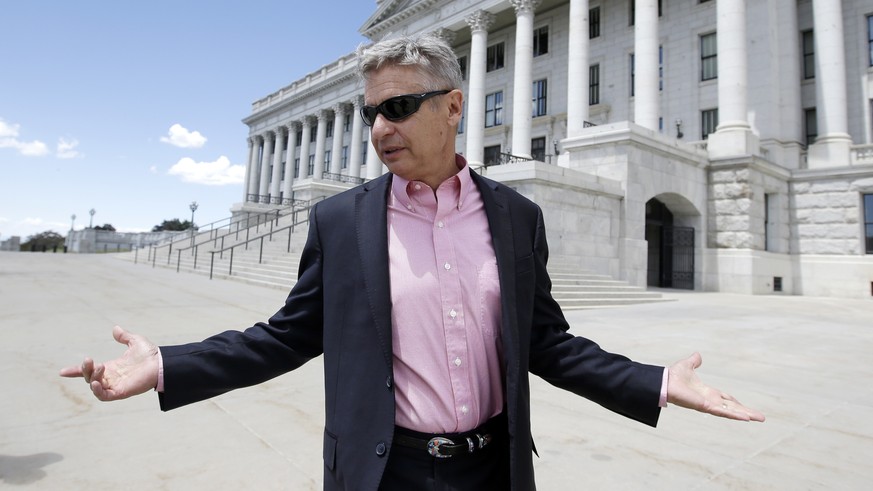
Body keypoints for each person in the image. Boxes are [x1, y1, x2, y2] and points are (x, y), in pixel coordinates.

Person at [61, 33, 764, 491]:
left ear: (454, 107)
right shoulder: (341, 220)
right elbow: (286, 335)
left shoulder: (516, 217)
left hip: (494, 469)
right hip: (383, 472)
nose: (377, 128)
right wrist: (166, 365)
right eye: (371, 112)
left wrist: (656, 381)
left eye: (398, 106)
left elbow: (547, 342)